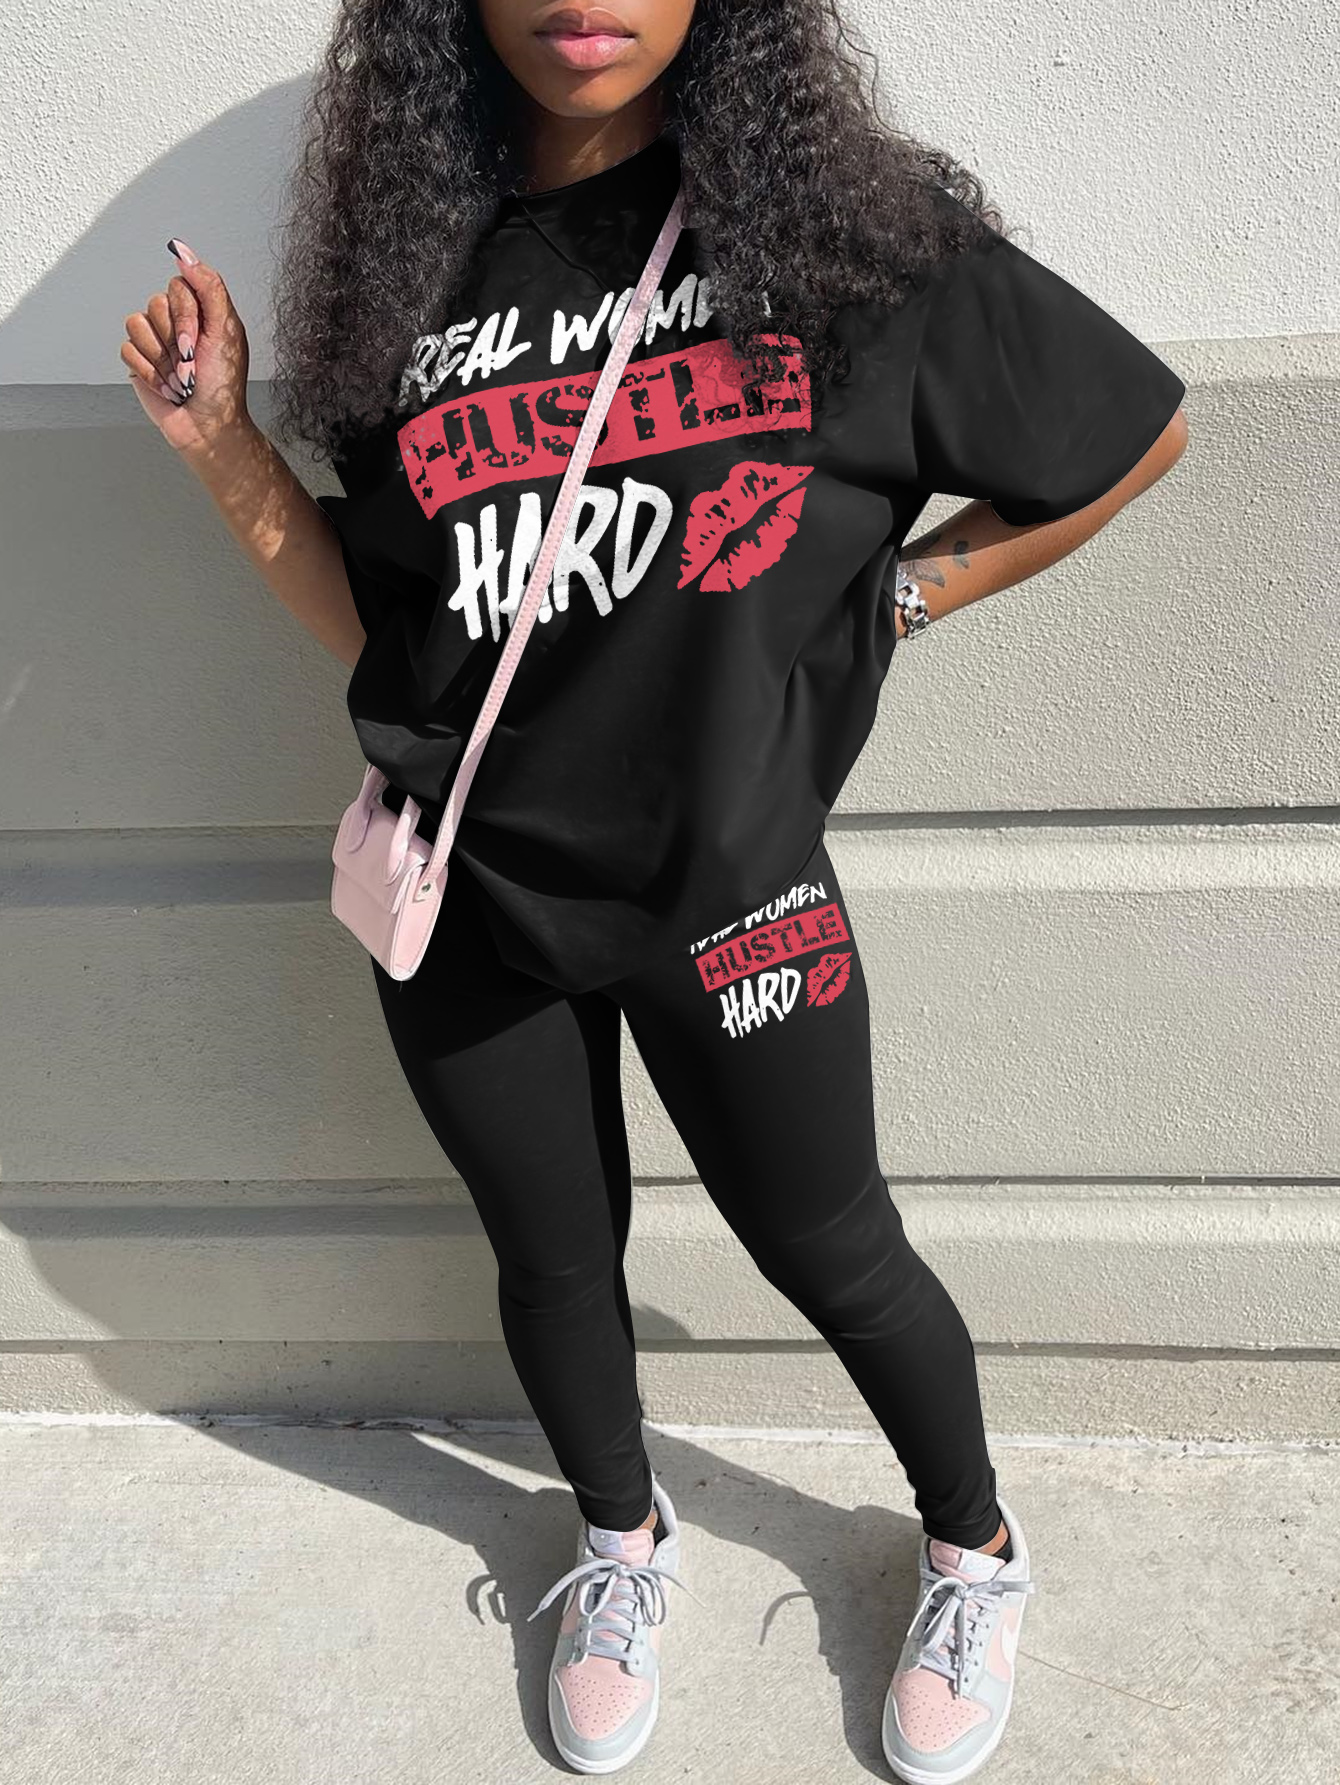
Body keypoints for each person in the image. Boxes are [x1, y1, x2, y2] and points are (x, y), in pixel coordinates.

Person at [120, 1, 1188, 1777]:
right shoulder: (414, 272)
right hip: (472, 894)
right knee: (550, 1263)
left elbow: (1129, 440)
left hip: (732, 885)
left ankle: (974, 1546)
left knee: (833, 1246)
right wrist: (222, 438)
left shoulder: (845, 248)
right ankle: (620, 1543)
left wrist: (902, 598)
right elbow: (387, 628)